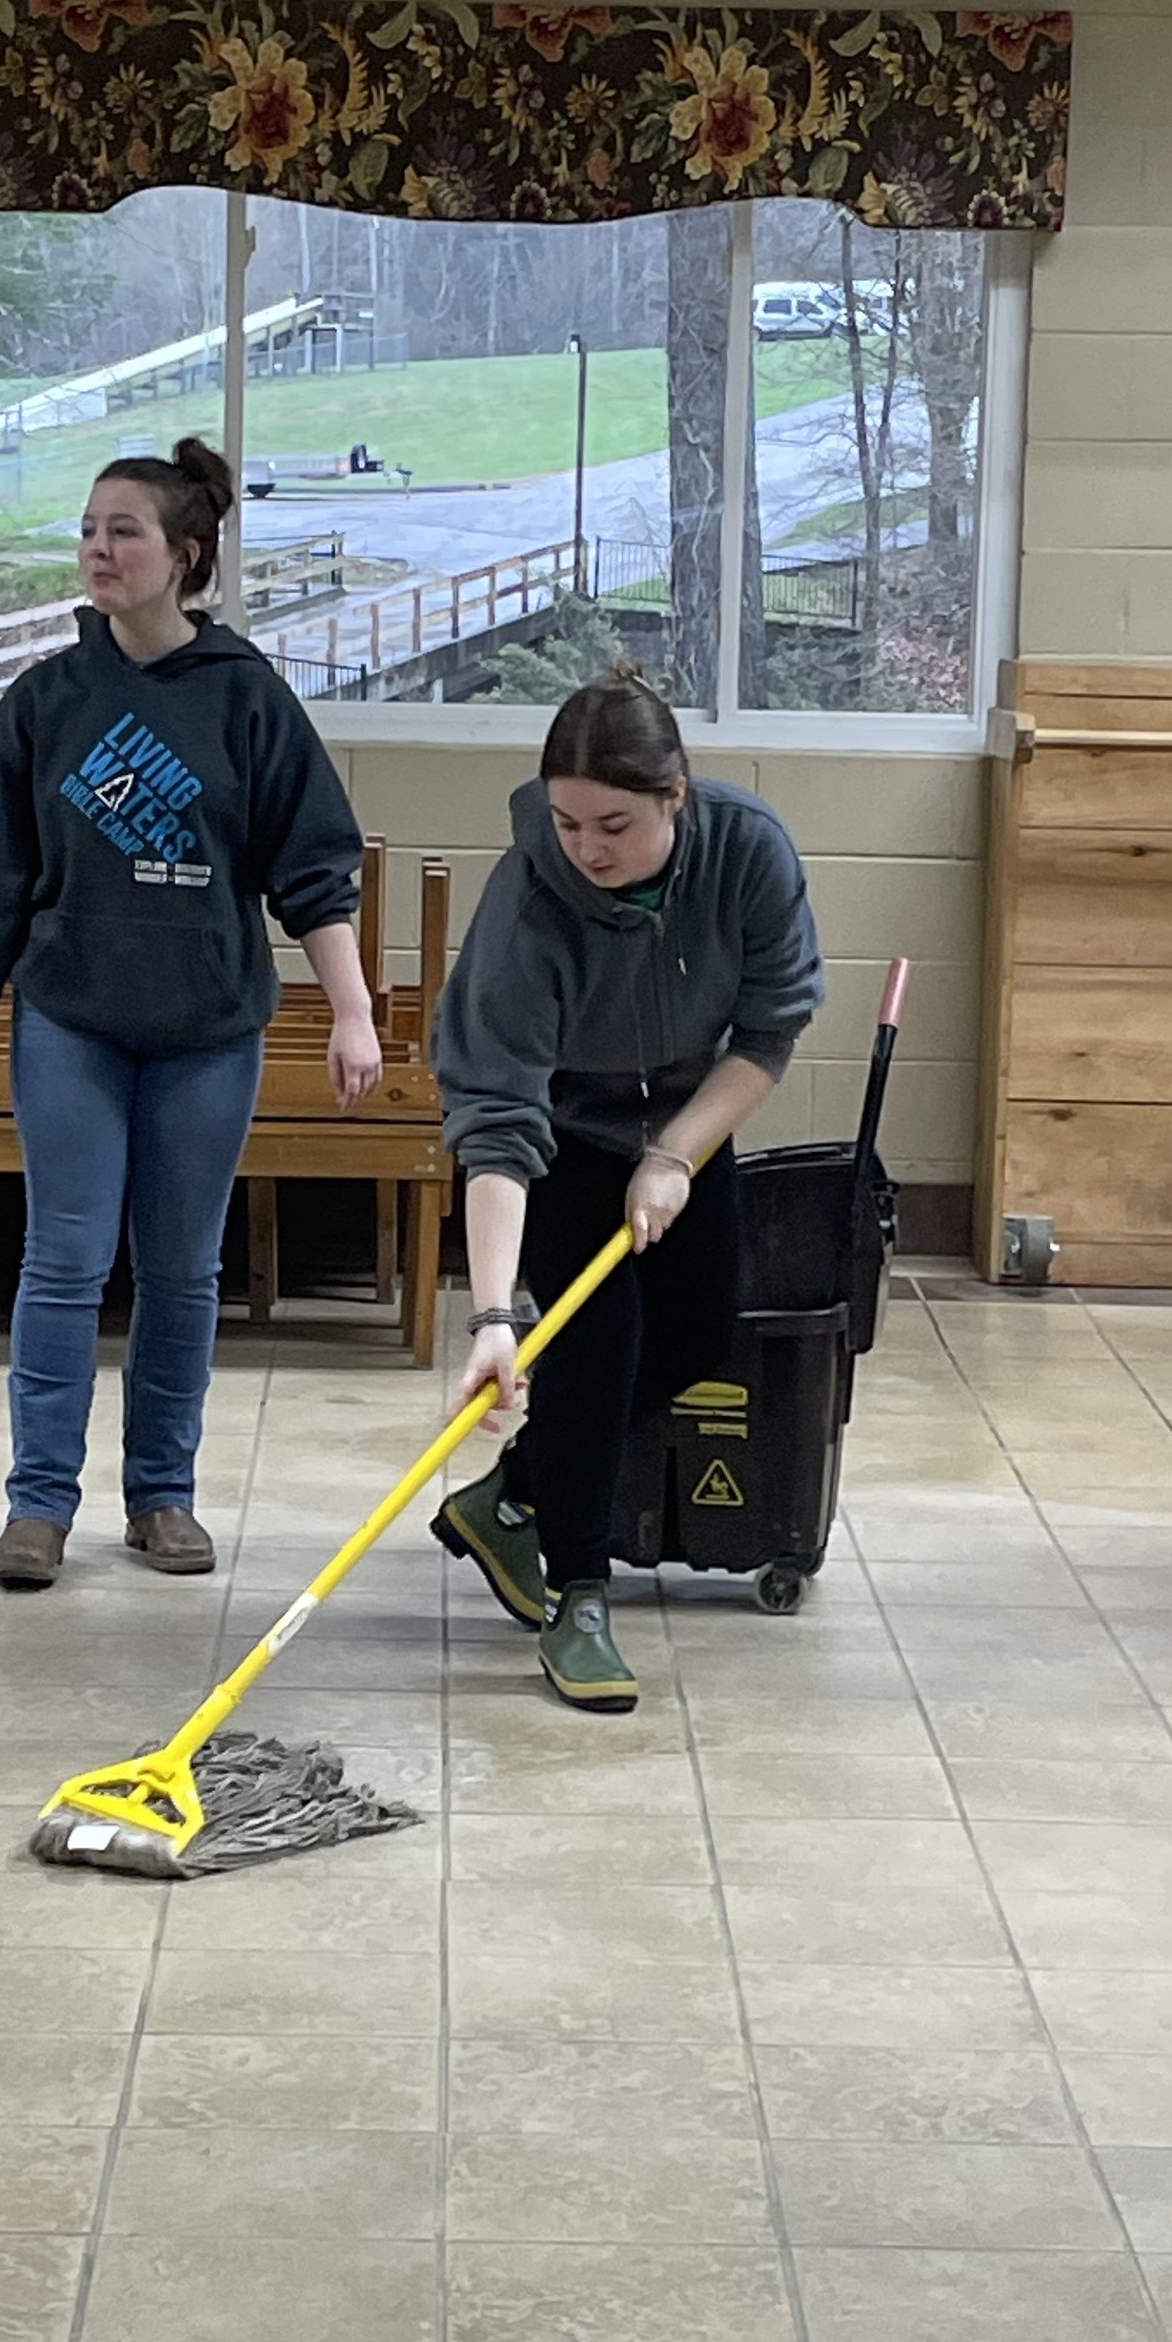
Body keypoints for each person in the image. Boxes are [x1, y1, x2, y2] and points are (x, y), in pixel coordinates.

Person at [0, 437, 379, 1588]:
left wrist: (352, 1013)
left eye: (123, 532)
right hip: (73, 1020)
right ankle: (38, 1506)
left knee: (180, 1268)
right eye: (88, 530)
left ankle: (162, 1495)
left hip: (209, 1029)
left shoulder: (247, 701)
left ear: (184, 555)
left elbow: (314, 869)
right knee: (66, 1258)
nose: (98, 550)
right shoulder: (46, 701)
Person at [430, 669, 824, 1713]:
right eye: (565, 821)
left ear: (676, 798)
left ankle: (514, 1496)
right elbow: (498, 1125)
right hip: (562, 1135)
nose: (586, 849)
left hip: (687, 1124)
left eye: (613, 823)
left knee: (696, 1335)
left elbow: (768, 1034)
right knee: (591, 1351)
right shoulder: (526, 901)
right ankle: (580, 1593)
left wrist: (677, 1154)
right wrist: (490, 1315)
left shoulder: (748, 853)